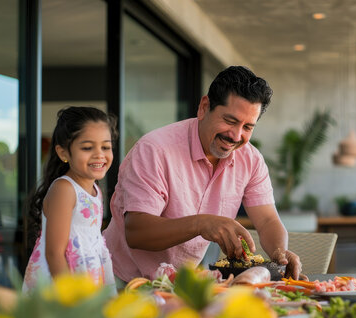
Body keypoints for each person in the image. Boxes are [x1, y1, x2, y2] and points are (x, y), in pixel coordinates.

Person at [103, 65, 303, 285]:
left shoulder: (252, 160)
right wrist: (202, 224)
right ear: (204, 107)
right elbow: (137, 233)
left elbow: (267, 220)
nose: (236, 136)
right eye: (230, 121)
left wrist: (280, 252)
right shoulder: (154, 149)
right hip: (120, 280)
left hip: (181, 284)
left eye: (247, 127)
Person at [23, 106, 117, 295]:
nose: (99, 154)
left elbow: (95, 243)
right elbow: (54, 253)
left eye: (105, 147)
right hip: (60, 284)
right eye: (87, 147)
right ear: (64, 153)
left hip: (86, 278)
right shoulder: (64, 189)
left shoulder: (95, 190)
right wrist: (72, 298)